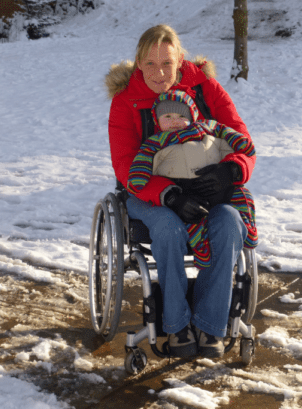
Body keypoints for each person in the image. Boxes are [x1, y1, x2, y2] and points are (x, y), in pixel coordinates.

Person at [106, 24, 256, 359]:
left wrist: (231, 170)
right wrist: (170, 194)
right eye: (150, 64)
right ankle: (176, 326)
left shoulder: (205, 88)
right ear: (138, 63)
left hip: (208, 192)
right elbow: (126, 165)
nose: (159, 73)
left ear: (181, 61)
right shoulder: (126, 102)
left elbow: (240, 137)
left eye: (167, 64)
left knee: (230, 223)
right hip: (149, 194)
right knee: (168, 228)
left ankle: (209, 325)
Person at [127, 89, 258, 271]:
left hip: (217, 184)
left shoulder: (206, 127)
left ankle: (248, 229)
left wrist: (239, 145)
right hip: (185, 189)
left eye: (181, 115)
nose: (174, 121)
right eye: (167, 116)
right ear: (157, 121)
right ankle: (201, 249)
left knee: (242, 196)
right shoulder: (157, 141)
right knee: (193, 219)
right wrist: (138, 178)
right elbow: (142, 161)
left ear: (193, 115)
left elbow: (227, 133)